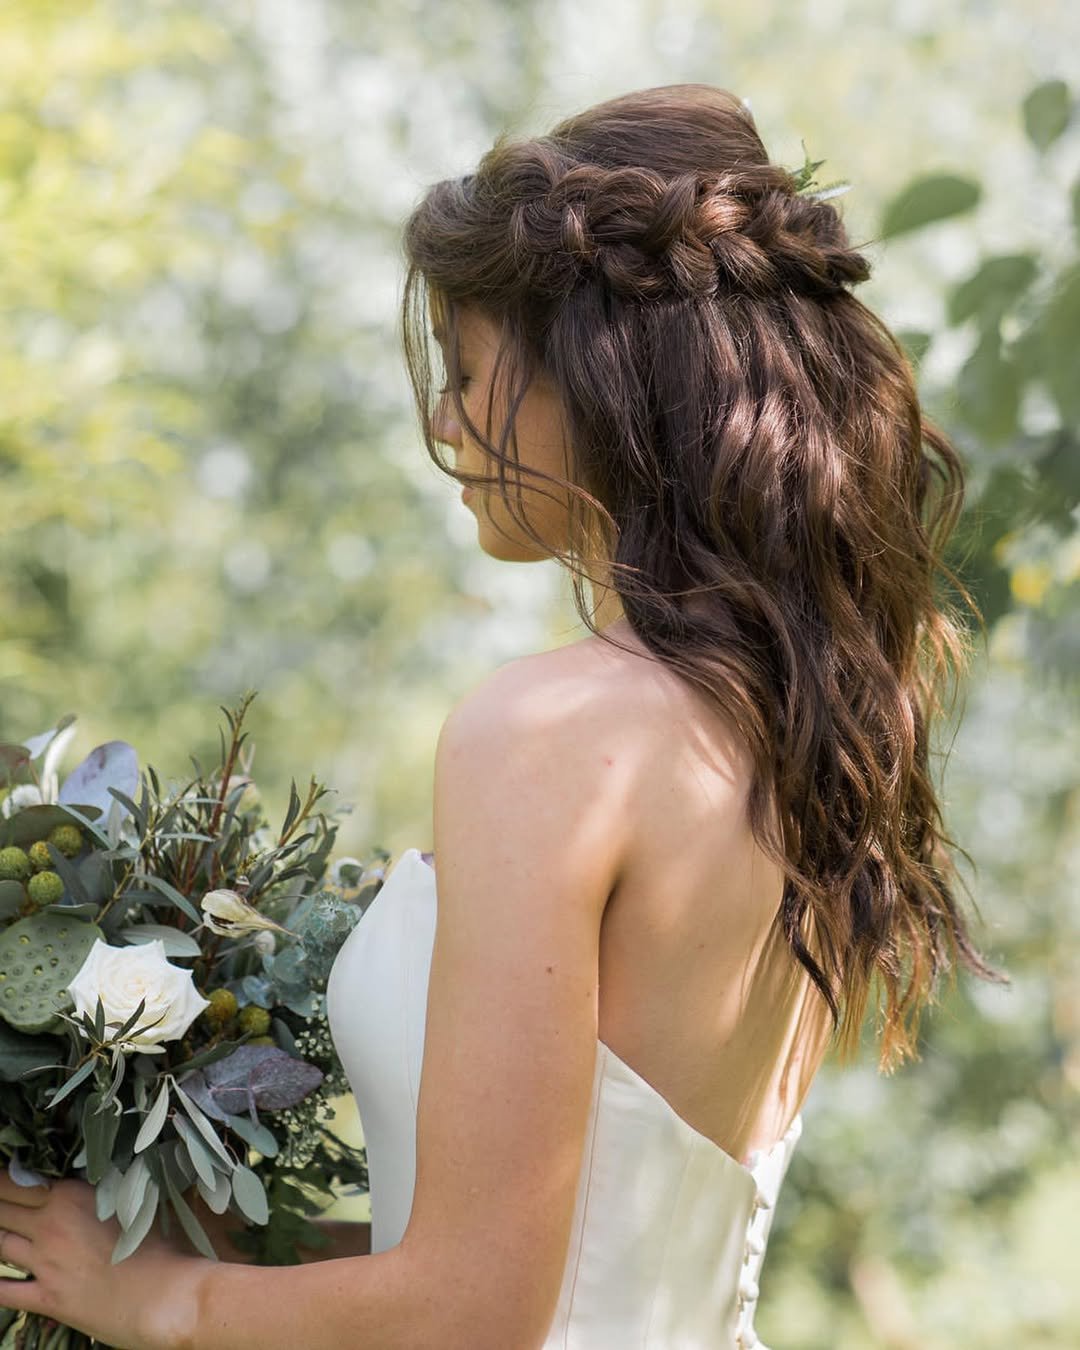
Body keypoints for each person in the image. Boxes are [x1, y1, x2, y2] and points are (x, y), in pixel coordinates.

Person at [0, 82, 1000, 1349]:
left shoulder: (551, 735)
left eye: (468, 371)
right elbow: (567, 1258)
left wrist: (150, 1301)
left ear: (594, 377)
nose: (443, 418)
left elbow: (478, 1313)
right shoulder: (787, 730)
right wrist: (231, 1246)